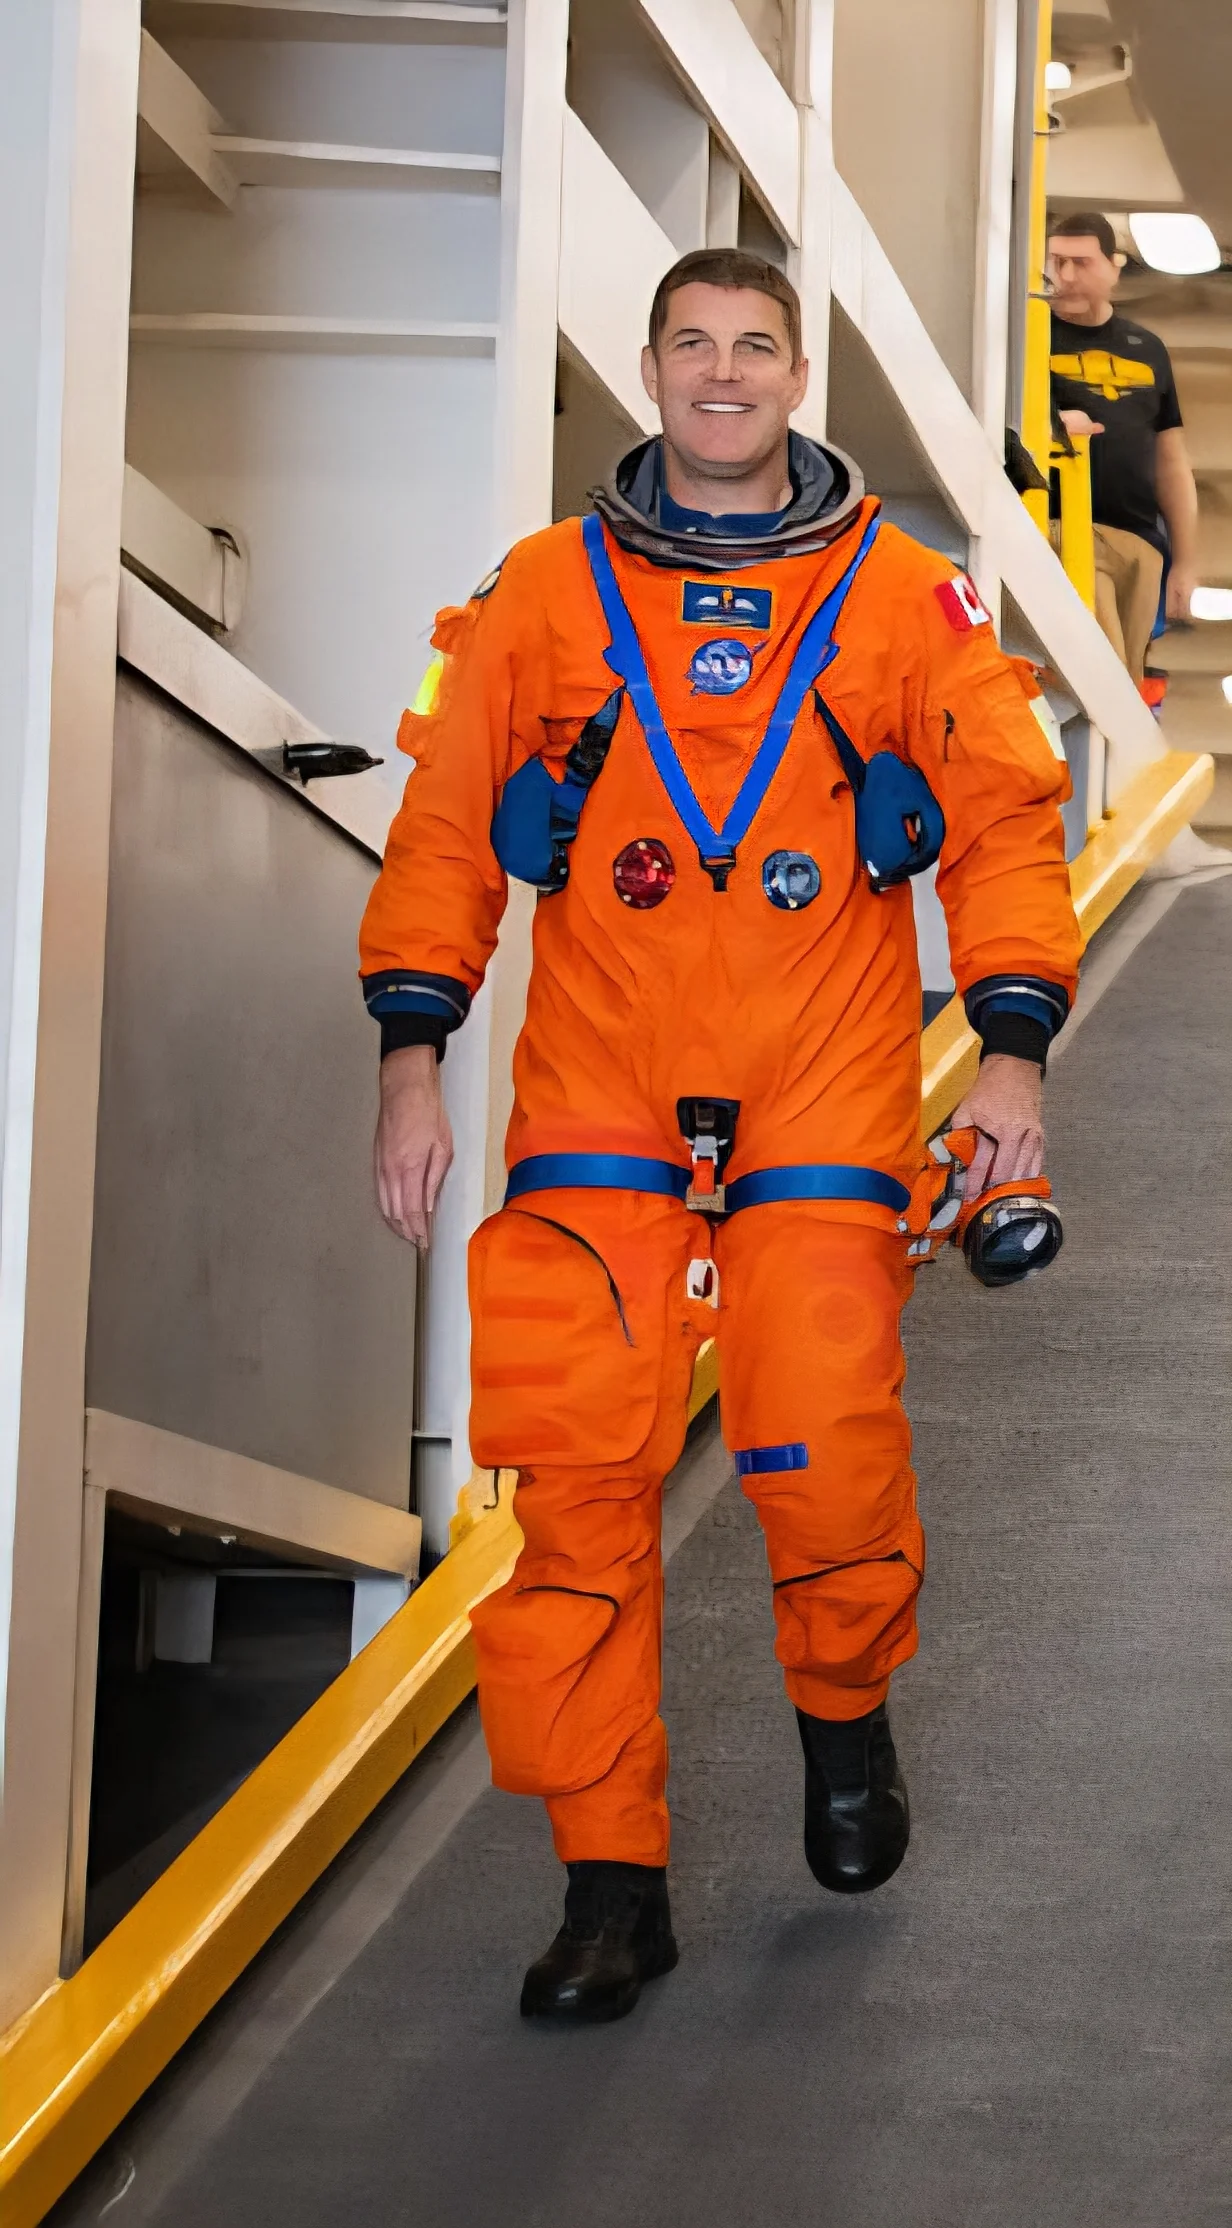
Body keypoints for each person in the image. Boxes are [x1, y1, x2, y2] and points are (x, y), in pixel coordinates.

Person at [360, 248, 1081, 2025]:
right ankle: (611, 1888)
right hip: (597, 1087)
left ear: (794, 376)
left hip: (819, 1081)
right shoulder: (543, 592)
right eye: (694, 342)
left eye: (757, 345)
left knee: (820, 1442)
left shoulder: (902, 597)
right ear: (652, 365)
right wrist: (409, 1055)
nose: (724, 371)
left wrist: (1010, 1057)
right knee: (576, 1494)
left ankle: (845, 1720)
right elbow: (447, 829)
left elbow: (1002, 820)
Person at [1048, 210, 1198, 679]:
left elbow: (1171, 461)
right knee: (1103, 667)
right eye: (1056, 262)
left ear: (1114, 267)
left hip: (1138, 541)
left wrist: (1184, 563)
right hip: (1063, 525)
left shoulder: (1147, 348)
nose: (1065, 276)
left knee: (1126, 679)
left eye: (1080, 262)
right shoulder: (1030, 334)